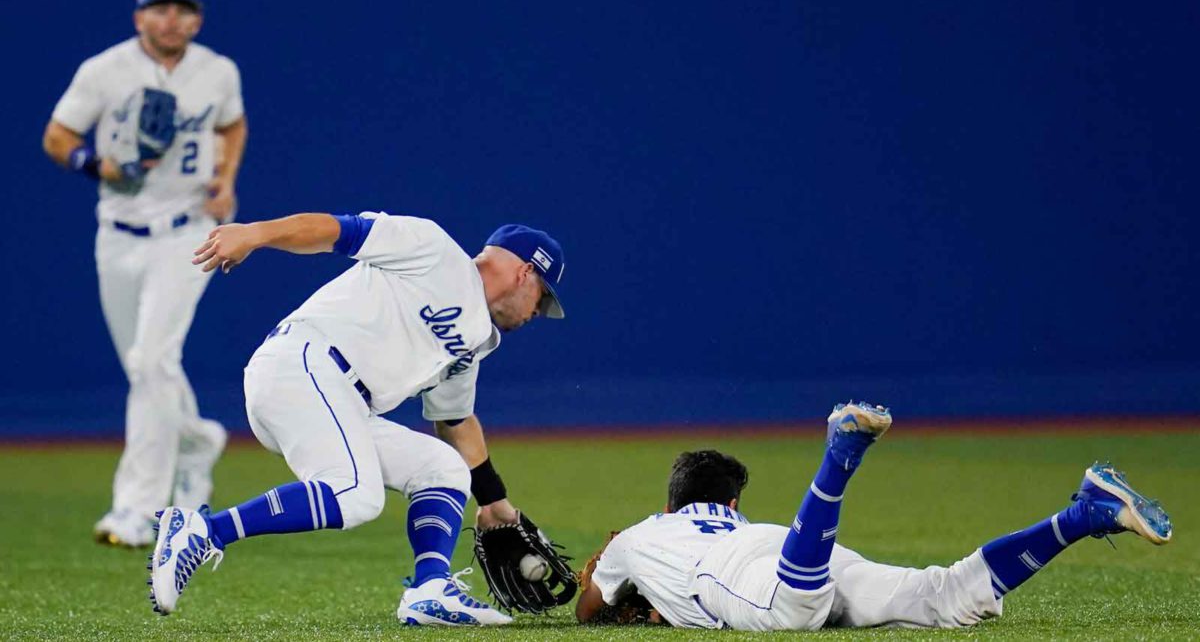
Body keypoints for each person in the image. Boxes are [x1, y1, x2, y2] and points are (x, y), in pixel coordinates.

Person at [146, 211, 567, 626]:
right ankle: (204, 530)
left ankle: (430, 589)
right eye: (542, 298)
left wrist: (494, 502)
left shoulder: (477, 338)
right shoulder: (432, 248)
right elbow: (334, 230)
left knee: (444, 470)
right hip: (303, 363)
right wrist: (255, 234)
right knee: (356, 494)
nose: (537, 312)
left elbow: (455, 420)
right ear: (525, 272)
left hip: (337, 399)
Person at [576, 402, 1173, 630]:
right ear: (731, 504)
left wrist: (599, 570)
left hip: (737, 575)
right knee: (945, 597)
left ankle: (838, 459)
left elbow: (590, 614)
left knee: (792, 613)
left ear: (668, 504)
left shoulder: (638, 536)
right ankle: (1085, 514)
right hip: (789, 545)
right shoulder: (736, 521)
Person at [41, 0, 245, 548]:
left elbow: (231, 124)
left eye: (182, 9)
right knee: (144, 367)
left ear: (197, 19)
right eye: (159, 9)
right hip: (119, 233)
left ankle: (139, 508)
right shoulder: (104, 71)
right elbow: (57, 136)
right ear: (139, 17)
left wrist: (225, 178)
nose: (171, 19)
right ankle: (198, 443)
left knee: (154, 359)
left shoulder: (218, 71)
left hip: (188, 232)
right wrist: (93, 164)